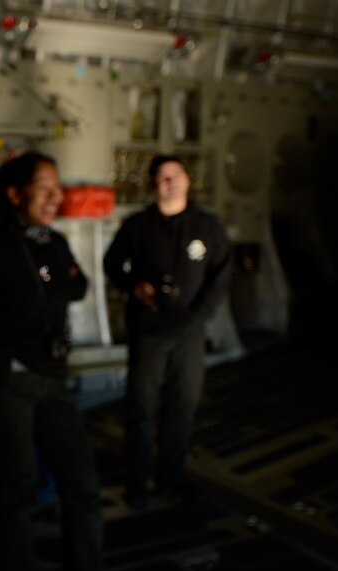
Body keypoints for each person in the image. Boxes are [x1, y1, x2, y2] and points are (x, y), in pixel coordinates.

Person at [0, 152, 103, 571]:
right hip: (12, 380)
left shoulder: (56, 242)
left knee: (82, 485)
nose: (54, 196)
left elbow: (78, 285)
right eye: (44, 187)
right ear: (15, 194)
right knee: (18, 489)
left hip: (53, 378)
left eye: (56, 187)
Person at [103, 154, 231, 510]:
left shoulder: (207, 227)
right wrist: (135, 285)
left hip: (189, 332)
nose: (168, 182)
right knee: (141, 408)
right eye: (160, 177)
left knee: (183, 406)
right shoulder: (138, 225)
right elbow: (112, 264)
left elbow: (221, 276)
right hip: (150, 329)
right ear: (152, 185)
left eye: (174, 175)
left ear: (187, 180)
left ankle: (171, 476)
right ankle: (138, 481)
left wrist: (200, 316)